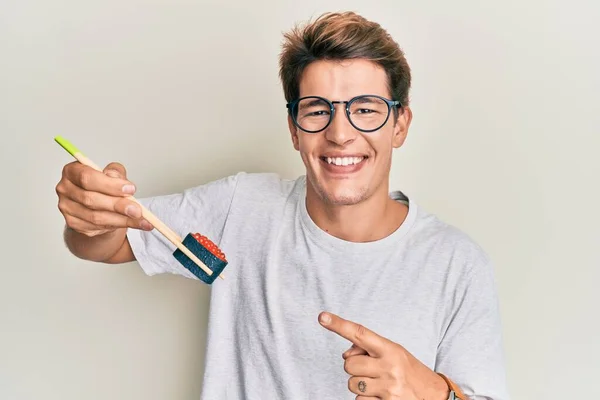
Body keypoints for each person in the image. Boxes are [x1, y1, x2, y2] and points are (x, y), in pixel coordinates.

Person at [55, 11, 510, 400]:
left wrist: (432, 391)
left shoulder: (457, 264)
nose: (340, 133)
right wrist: (91, 217)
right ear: (294, 129)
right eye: (317, 110)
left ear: (400, 124)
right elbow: (106, 244)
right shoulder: (241, 207)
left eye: (366, 109)